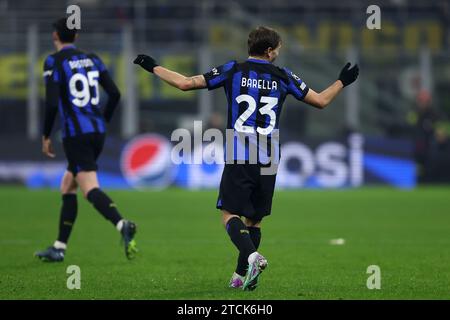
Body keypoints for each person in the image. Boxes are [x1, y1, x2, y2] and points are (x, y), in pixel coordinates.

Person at [133, 26, 358, 290]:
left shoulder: (233, 70)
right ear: (269, 51)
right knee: (255, 220)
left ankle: (252, 257)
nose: (278, 54)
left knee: (229, 215)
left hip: (240, 154)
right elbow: (320, 101)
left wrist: (153, 67)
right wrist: (342, 81)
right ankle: (240, 277)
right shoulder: (283, 76)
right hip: (269, 157)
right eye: (278, 49)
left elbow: (185, 83)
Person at [35, 18, 138, 262]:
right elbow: (114, 93)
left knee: (89, 187)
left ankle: (122, 224)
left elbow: (51, 103)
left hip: (75, 134)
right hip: (97, 131)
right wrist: (103, 121)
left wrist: (46, 134)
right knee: (68, 185)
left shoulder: (53, 61)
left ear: (55, 36)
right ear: (76, 37)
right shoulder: (93, 58)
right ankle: (59, 247)